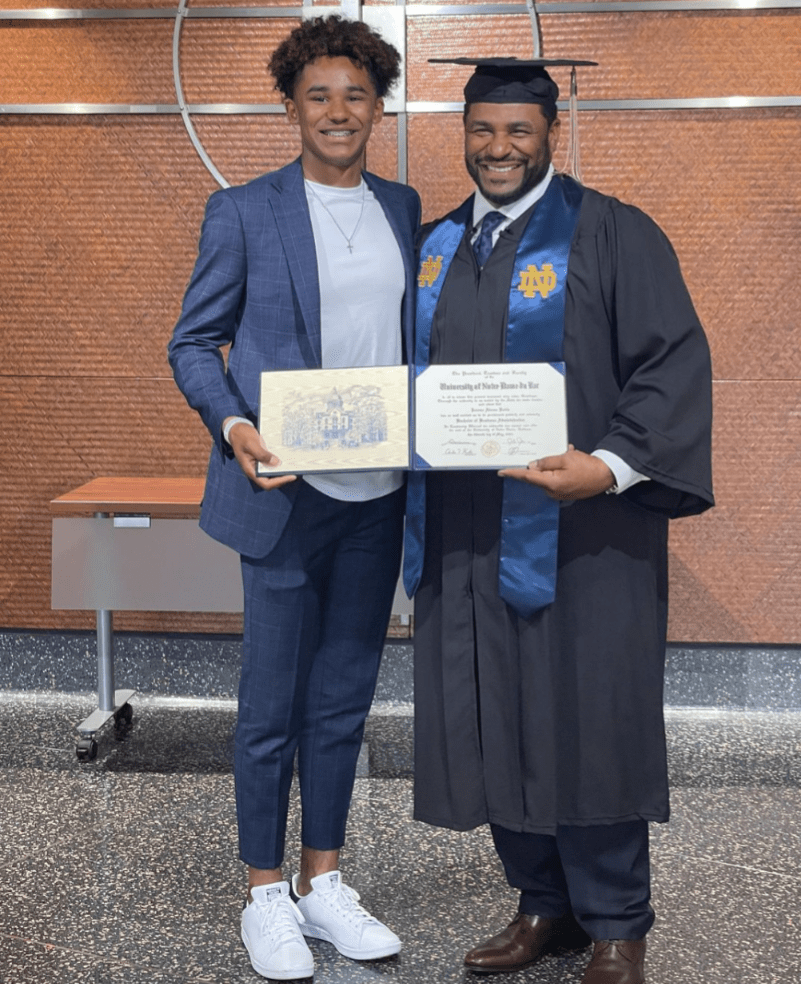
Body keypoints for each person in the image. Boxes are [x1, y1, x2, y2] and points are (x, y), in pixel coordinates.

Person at [404, 58, 713, 984]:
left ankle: (616, 921)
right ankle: (543, 904)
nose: (498, 149)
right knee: (494, 712)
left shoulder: (615, 234)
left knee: (588, 716)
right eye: (482, 131)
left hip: (587, 536)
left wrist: (608, 465)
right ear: (463, 132)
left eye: (518, 132)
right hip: (466, 534)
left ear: (550, 133)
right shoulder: (432, 248)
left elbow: (670, 363)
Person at [169, 16, 420, 981]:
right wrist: (234, 427)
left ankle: (324, 883)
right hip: (281, 493)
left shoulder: (403, 208)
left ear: (378, 107)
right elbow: (194, 344)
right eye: (318, 95)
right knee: (269, 704)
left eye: (356, 95)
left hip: (378, 492)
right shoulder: (242, 210)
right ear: (289, 106)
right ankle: (263, 893)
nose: (338, 112)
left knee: (343, 698)